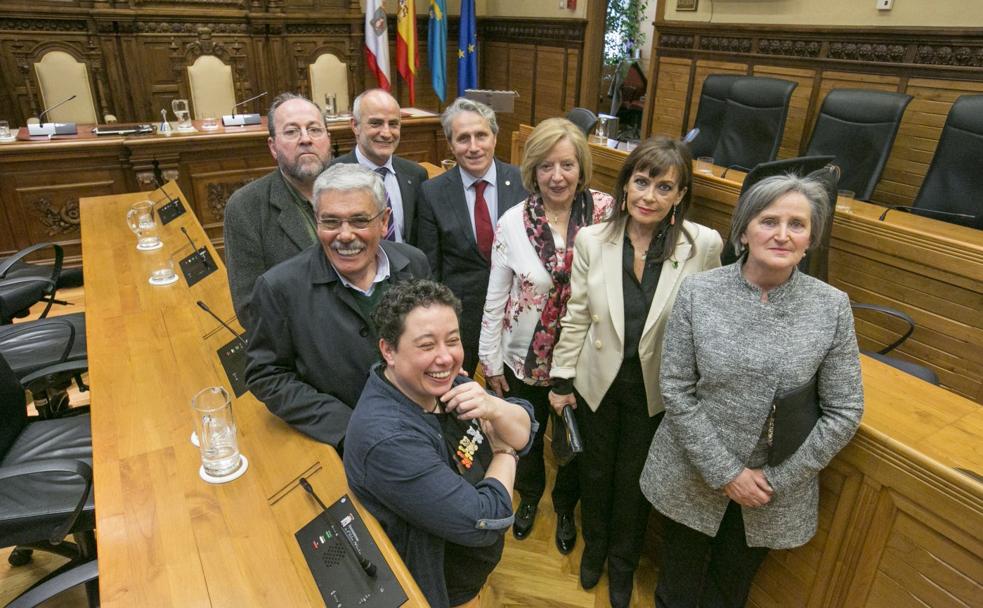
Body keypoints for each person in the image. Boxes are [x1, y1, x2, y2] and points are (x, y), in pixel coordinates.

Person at [641, 174, 864, 608]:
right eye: (769, 221)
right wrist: (727, 472)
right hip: (693, 471)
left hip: (771, 490)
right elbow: (677, 389)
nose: (782, 234)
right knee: (675, 590)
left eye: (797, 224)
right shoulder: (699, 292)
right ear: (743, 231)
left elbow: (845, 409)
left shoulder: (832, 306)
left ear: (811, 238)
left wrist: (774, 479)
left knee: (729, 594)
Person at [547, 136, 722, 607]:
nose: (649, 196)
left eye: (664, 187)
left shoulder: (702, 245)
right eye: (641, 182)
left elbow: (708, 323)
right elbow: (578, 314)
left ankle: (622, 565)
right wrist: (561, 381)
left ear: (680, 195)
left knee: (635, 484)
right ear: (624, 186)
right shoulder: (592, 239)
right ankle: (594, 549)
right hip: (597, 384)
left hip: (656, 393)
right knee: (596, 473)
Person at [344, 279, 536, 608]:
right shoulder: (388, 439)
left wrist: (496, 408)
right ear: (388, 350)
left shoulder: (441, 383)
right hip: (444, 591)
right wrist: (505, 453)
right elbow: (485, 520)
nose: (445, 358)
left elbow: (526, 428)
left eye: (453, 341)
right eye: (426, 345)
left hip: (472, 572)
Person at [478, 117, 613, 555]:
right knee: (528, 437)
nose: (557, 176)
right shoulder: (513, 221)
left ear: (582, 167)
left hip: (586, 359)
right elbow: (496, 297)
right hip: (523, 357)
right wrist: (490, 361)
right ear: (532, 171)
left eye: (568, 165)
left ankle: (566, 504)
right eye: (546, 166)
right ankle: (531, 495)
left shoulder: (607, 213)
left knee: (576, 440)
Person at [244, 163, 430, 447]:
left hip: (422, 424)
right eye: (331, 222)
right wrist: (347, 428)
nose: (344, 235)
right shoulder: (279, 287)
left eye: (359, 221)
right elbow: (266, 374)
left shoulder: (414, 263)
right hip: (343, 445)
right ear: (316, 221)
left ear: (384, 221)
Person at [418, 97, 528, 375]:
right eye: (463, 138)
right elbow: (431, 268)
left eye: (481, 135)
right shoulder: (432, 193)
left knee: (514, 403)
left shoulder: (523, 182)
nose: (474, 146)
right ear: (450, 144)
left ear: (494, 136)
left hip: (515, 316)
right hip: (460, 319)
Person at [224, 92, 332, 330]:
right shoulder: (246, 207)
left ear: (328, 139)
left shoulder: (356, 187)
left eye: (315, 129)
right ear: (273, 146)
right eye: (292, 132)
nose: (306, 139)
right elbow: (250, 309)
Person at [331, 88, 428, 245]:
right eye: (376, 123)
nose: (386, 133)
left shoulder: (416, 174)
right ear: (355, 126)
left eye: (393, 124)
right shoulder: (332, 175)